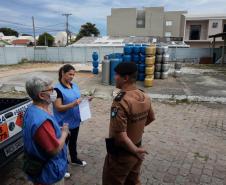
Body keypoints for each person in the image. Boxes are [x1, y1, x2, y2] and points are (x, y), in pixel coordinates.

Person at [102, 62, 155, 185]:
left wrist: (134, 150)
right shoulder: (144, 95)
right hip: (137, 147)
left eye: (117, 75)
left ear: (125, 78)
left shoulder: (121, 101)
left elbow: (120, 135)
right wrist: (136, 128)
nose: (115, 77)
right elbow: (151, 118)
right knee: (133, 181)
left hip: (122, 155)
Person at [23, 77, 69, 185]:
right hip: (49, 174)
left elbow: (38, 135)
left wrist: (56, 130)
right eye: (51, 90)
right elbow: (54, 150)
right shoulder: (42, 121)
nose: (54, 92)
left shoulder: (32, 109)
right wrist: (64, 133)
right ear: (41, 95)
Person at [53, 64, 87, 167]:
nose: (72, 77)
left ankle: (74, 159)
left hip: (75, 120)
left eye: (73, 74)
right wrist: (73, 104)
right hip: (64, 123)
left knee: (73, 142)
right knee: (62, 145)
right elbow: (58, 107)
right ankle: (62, 166)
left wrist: (86, 100)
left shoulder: (74, 86)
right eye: (69, 74)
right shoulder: (57, 90)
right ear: (63, 73)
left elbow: (77, 99)